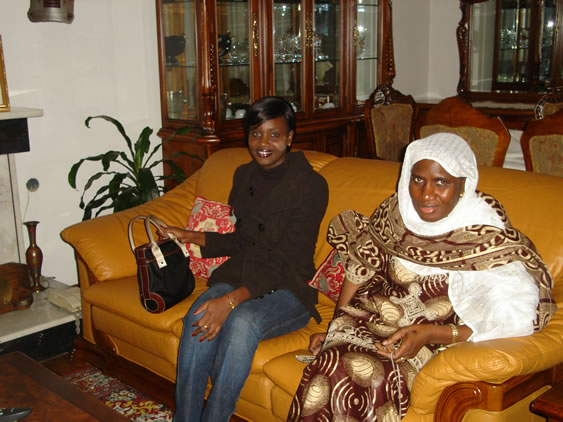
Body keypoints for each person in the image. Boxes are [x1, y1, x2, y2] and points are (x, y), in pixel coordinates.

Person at [288, 132, 555, 421]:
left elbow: (513, 317)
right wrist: (334, 327)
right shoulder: (395, 212)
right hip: (370, 320)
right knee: (331, 363)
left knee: (364, 374)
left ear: (463, 184)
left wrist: (433, 333)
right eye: (418, 179)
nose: (426, 195)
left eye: (441, 182)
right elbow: (360, 267)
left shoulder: (484, 234)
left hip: (432, 339)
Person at [161, 96, 329, 422]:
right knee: (198, 316)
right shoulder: (243, 175)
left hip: (290, 285)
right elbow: (244, 240)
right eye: (256, 134)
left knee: (242, 322)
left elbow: (285, 259)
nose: (263, 143)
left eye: (274, 135)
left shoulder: (310, 185)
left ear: (290, 137)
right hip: (243, 272)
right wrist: (193, 236)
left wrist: (231, 301)